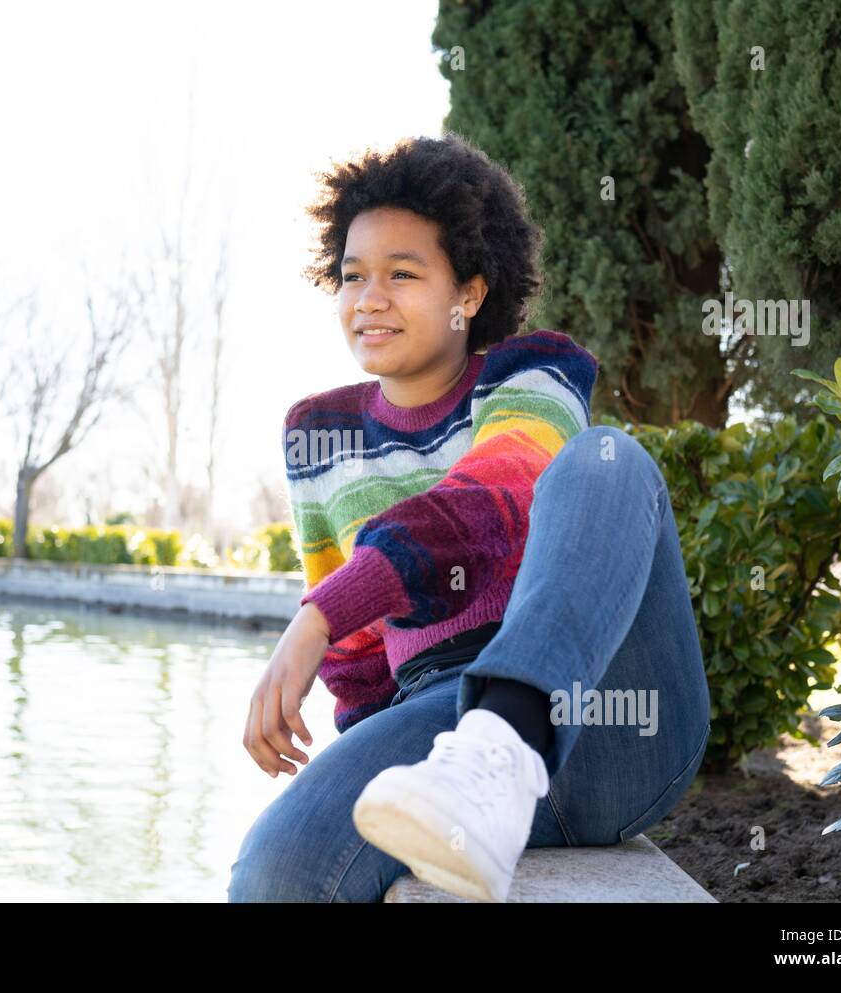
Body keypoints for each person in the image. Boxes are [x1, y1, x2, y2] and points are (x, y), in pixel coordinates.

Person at [229, 134, 710, 903]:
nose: (369, 299)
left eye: (402, 274)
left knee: (604, 459)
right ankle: (473, 776)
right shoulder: (319, 434)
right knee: (273, 873)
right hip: (436, 722)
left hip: (609, 730)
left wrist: (316, 616)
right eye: (353, 276)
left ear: (469, 295)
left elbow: (494, 497)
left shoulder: (538, 372)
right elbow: (360, 667)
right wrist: (358, 780)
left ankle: (506, 742)